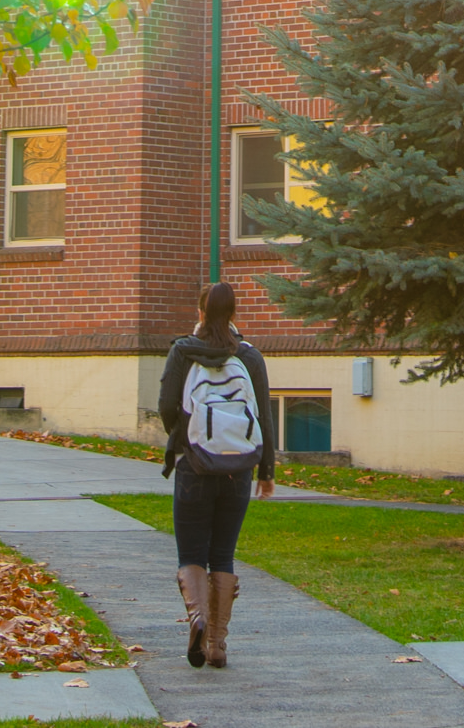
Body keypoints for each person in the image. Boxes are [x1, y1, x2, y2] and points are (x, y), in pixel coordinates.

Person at [156, 280, 274, 669]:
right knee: (223, 554)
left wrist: (184, 438)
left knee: (191, 553)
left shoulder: (182, 351)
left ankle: (198, 618)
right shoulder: (250, 356)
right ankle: (218, 644)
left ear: (201, 312)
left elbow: (166, 405)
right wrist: (266, 471)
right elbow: (263, 418)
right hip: (237, 468)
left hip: (193, 464)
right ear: (234, 313)